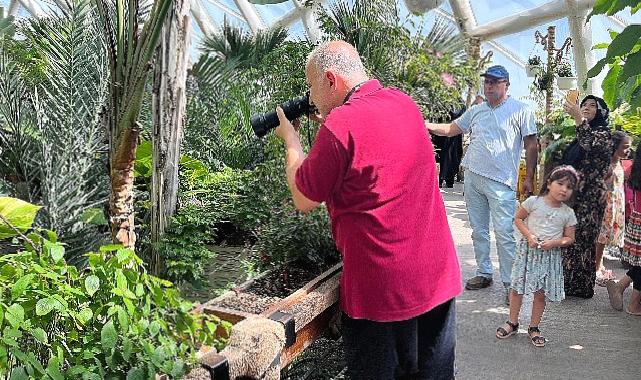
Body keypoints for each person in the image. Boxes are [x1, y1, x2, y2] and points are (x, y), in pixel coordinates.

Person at [274, 40, 462, 379]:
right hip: (436, 276)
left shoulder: (341, 125)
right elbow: (372, 154)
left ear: (331, 79)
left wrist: (292, 141)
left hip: (382, 290)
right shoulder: (403, 103)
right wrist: (332, 124)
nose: (310, 97)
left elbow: (304, 198)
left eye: (312, 86)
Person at [427, 65, 538, 302]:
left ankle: (511, 283)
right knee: (478, 231)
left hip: (502, 182)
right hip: (473, 177)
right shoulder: (476, 110)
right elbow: (450, 129)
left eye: (494, 82)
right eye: (487, 82)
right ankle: (484, 272)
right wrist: (424, 123)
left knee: (505, 233)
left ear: (506, 84)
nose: (489, 86)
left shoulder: (521, 110)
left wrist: (529, 177)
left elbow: (531, 145)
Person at [496, 165, 578, 347]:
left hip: (549, 257)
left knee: (540, 294)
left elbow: (570, 238)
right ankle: (512, 322)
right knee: (517, 288)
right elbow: (517, 219)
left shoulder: (568, 213)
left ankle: (534, 327)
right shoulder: (533, 202)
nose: (564, 189)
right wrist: (529, 235)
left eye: (569, 187)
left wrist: (554, 243)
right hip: (527, 253)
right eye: (560, 183)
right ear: (549, 183)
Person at [561, 95, 613, 298]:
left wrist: (578, 119)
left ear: (601, 113)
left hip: (590, 197)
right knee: (571, 239)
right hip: (575, 195)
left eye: (593, 106)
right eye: (584, 105)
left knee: (583, 240)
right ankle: (568, 283)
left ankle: (581, 287)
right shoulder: (580, 132)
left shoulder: (603, 134)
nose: (587, 108)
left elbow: (588, 143)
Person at [606, 141, 641, 315]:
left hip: (637, 219)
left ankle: (620, 286)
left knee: (640, 263)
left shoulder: (634, 169)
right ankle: (634, 305)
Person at [595, 131, 632, 286]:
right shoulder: (606, 164)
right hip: (607, 204)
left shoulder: (620, 163)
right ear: (614, 146)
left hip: (616, 203)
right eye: (624, 147)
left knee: (607, 234)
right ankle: (596, 266)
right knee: (601, 235)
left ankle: (600, 263)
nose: (628, 150)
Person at [432, 108, 465, 188]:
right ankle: (443, 180)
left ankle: (448, 180)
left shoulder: (459, 104)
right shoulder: (442, 104)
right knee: (444, 158)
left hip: (453, 137)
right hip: (443, 136)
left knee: (451, 158)